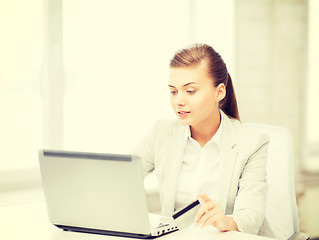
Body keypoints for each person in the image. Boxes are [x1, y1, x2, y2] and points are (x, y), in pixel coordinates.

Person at [133, 43, 270, 235]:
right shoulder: (161, 134)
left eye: (190, 91)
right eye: (173, 91)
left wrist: (227, 221)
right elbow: (122, 178)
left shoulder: (252, 143)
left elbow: (252, 215)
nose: (179, 101)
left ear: (219, 92)